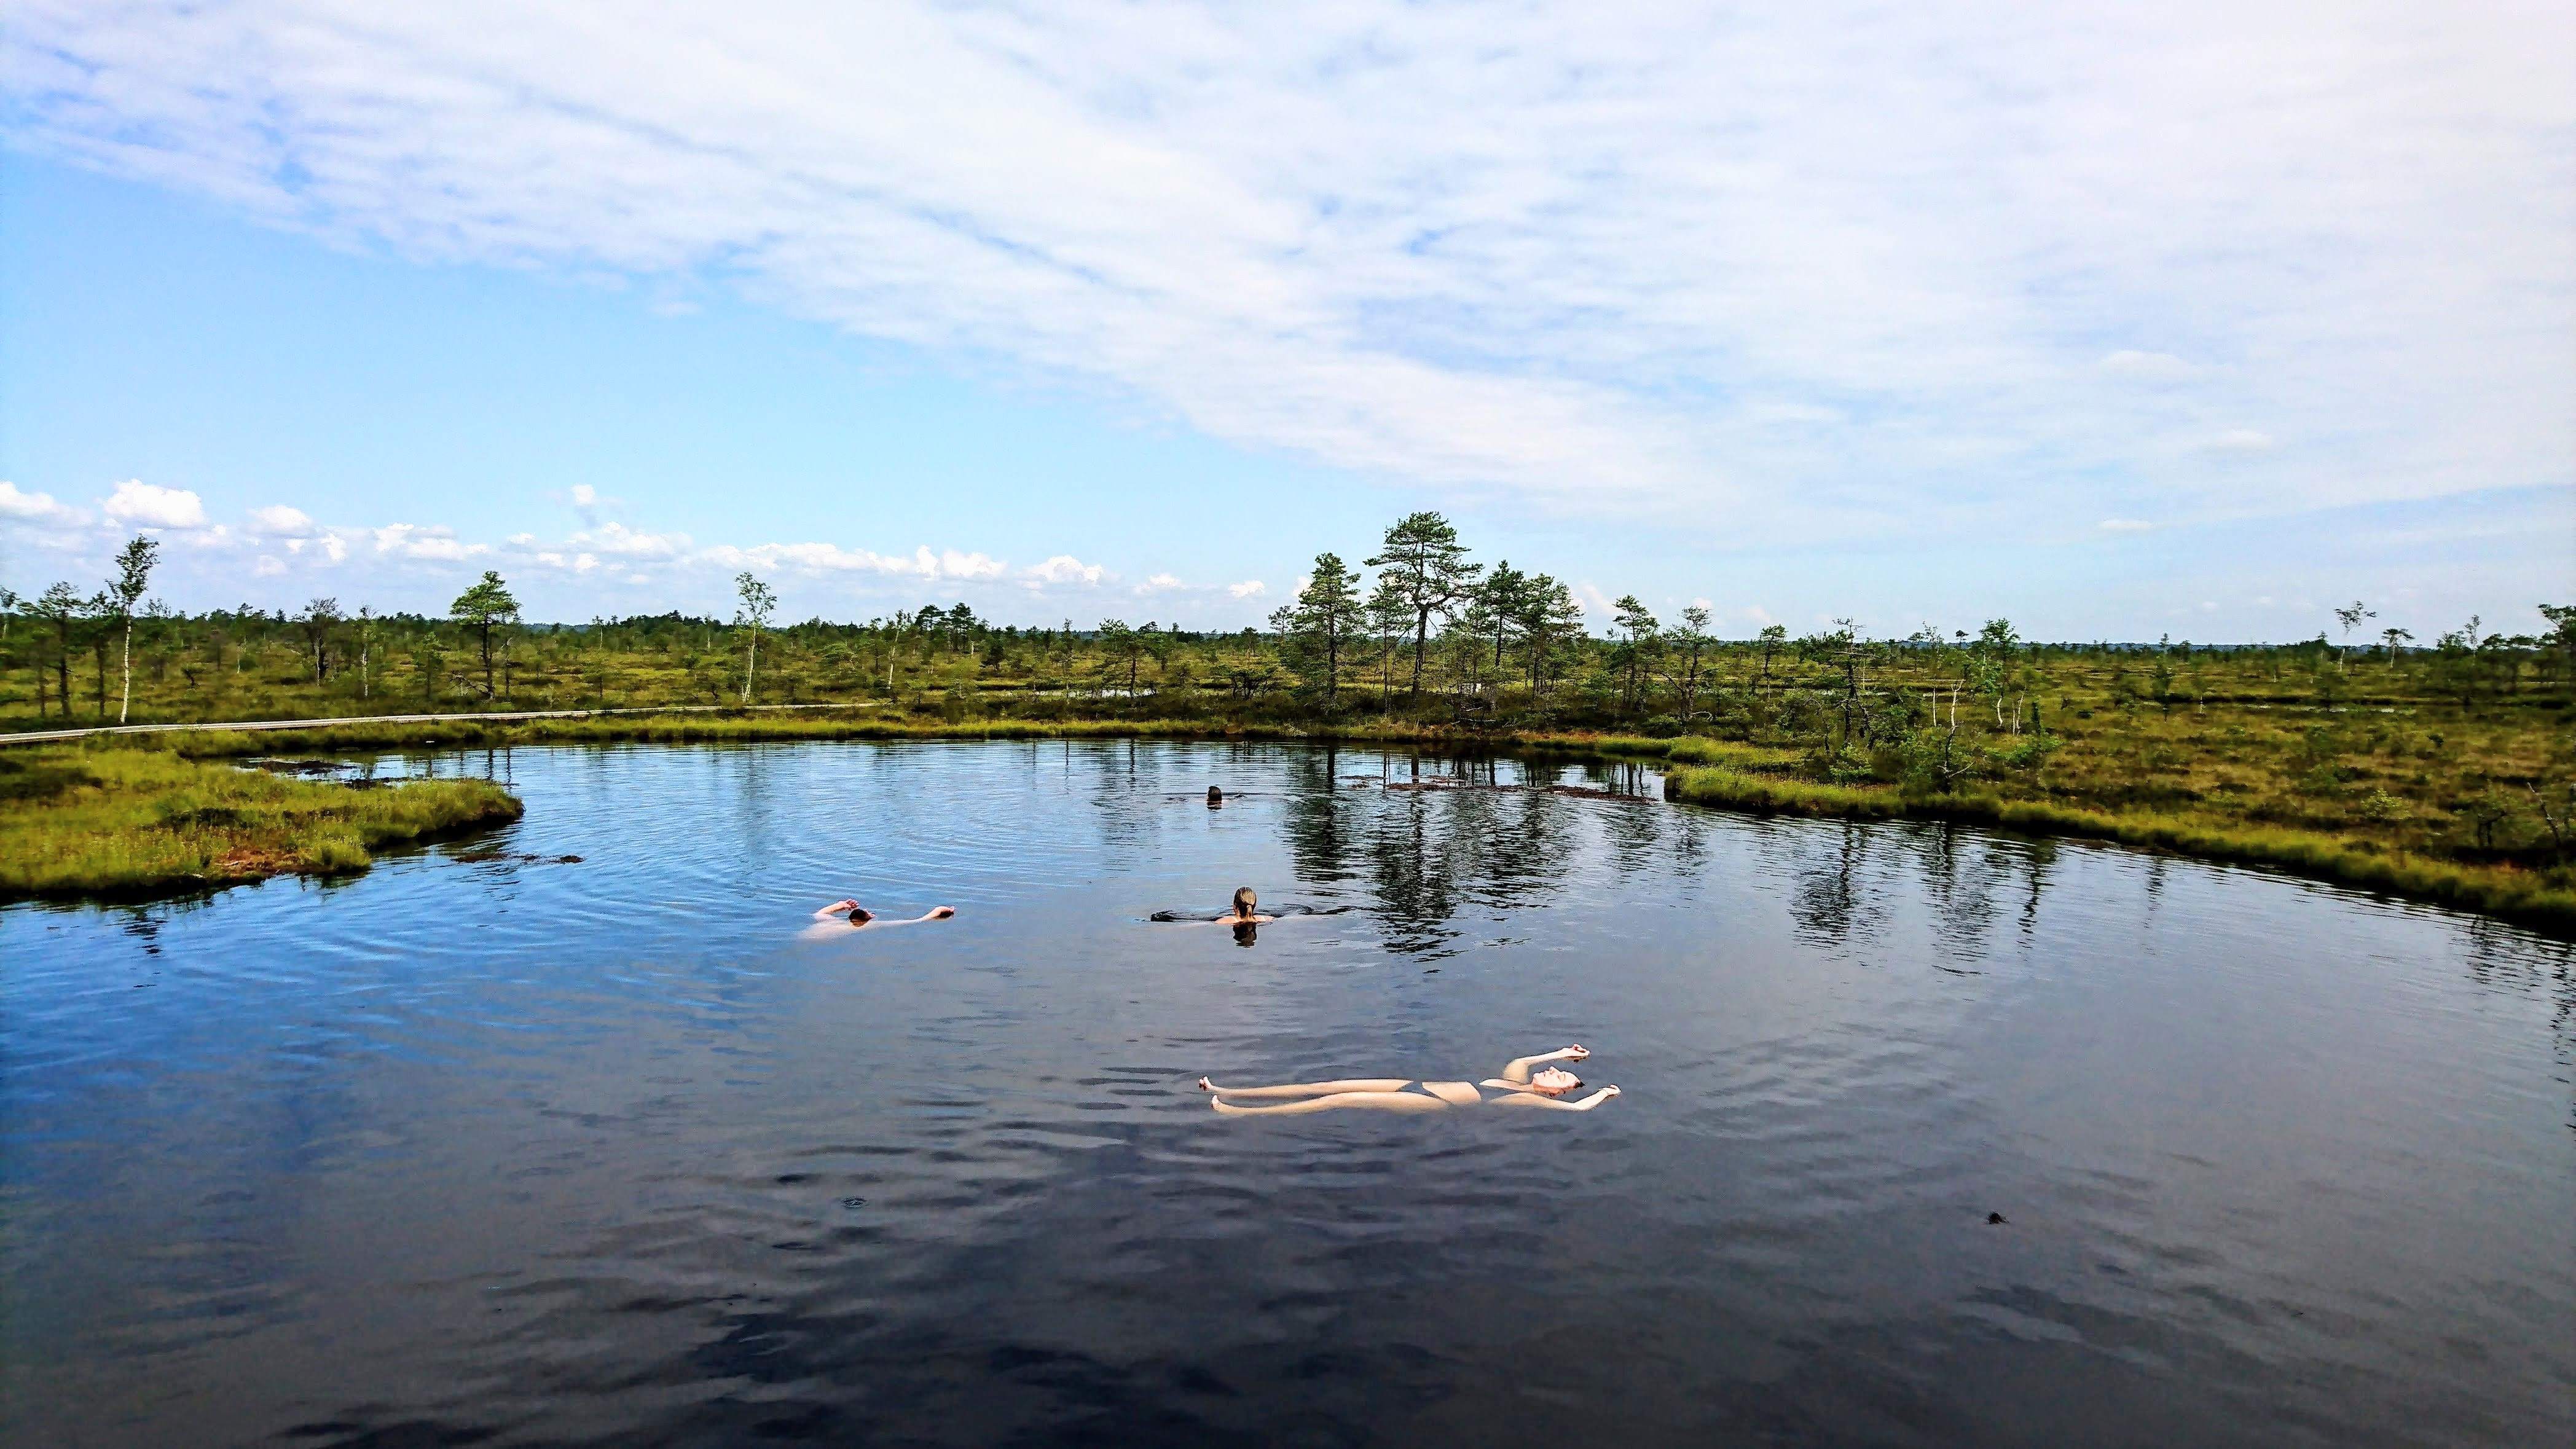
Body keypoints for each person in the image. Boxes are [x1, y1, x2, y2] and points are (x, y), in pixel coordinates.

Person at [1198, 1045, 1619, 1115]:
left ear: (1559, 1091)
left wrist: (1602, 1094)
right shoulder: (1517, 1080)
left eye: (1558, 1076)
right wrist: (1562, 1053)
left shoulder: (1529, 1100)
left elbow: (1577, 1110)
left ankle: (1236, 1114)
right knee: (1330, 1084)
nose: (1550, 1072)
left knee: (1338, 1100)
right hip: (1415, 1082)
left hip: (1436, 1102)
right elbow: (1523, 1058)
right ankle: (1228, 1089)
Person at [806, 900, 956, 936]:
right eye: (869, 913)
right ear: (865, 920)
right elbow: (917, 921)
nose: (872, 913)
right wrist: (940, 910)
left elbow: (819, 914)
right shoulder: (861, 927)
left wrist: (841, 905)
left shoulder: (835, 923)